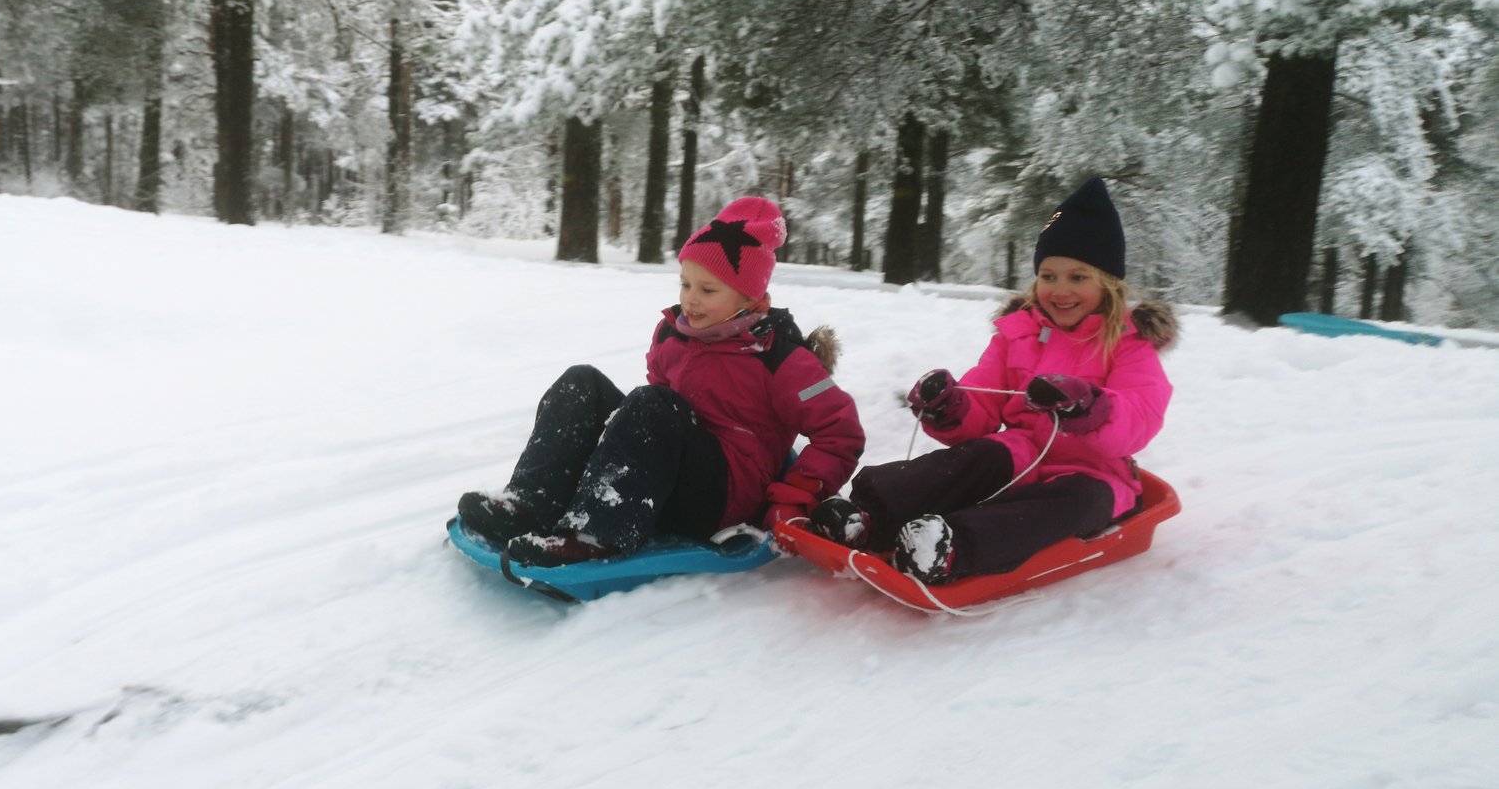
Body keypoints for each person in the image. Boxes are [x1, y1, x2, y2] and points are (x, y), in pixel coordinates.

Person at [456, 197, 865, 567]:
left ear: (749, 297)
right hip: (668, 475)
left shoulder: (782, 358)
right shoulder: (674, 334)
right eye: (685, 284)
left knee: (654, 403)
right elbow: (649, 422)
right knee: (582, 382)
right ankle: (530, 504)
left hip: (722, 497)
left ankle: (594, 534)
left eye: (708, 290)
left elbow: (840, 433)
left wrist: (792, 500)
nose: (690, 300)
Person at [810, 177, 1176, 584]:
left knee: (1068, 505)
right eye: (1048, 276)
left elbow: (1141, 414)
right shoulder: (1016, 334)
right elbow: (981, 404)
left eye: (1078, 278)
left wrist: (1090, 408)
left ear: (1108, 283)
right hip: (1021, 451)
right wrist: (950, 407)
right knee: (975, 458)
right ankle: (868, 519)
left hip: (1095, 473)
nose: (1060, 290)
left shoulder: (1129, 343)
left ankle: (950, 549)